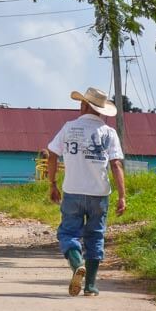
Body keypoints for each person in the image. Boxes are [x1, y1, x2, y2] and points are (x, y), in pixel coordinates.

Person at [46, 87, 126, 297]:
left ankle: (76, 264)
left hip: (72, 191)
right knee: (95, 237)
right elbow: (116, 165)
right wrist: (122, 196)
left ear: (83, 105)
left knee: (68, 233)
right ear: (101, 110)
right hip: (99, 195)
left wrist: (52, 184)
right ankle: (90, 285)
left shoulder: (69, 127)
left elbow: (52, 156)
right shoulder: (109, 133)